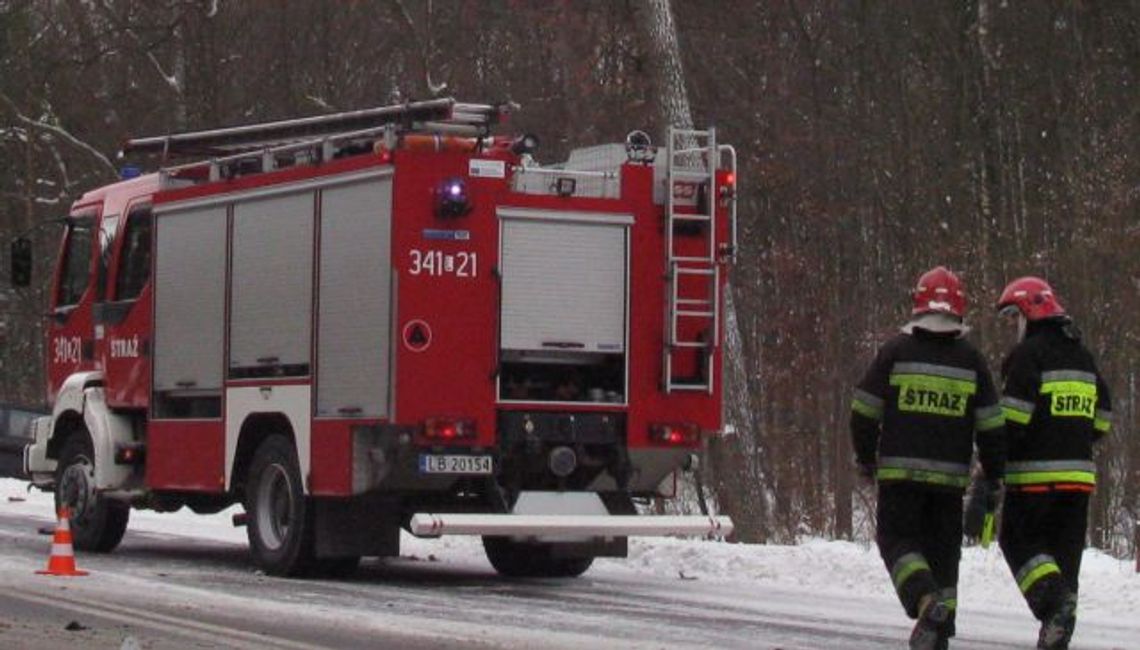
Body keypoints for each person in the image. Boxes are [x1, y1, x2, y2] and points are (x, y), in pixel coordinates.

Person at [850, 266, 1006, 650]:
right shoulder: (971, 360)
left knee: (896, 540)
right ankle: (940, 631)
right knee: (943, 556)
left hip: (901, 477)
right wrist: (994, 474)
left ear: (918, 306)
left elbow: (863, 410)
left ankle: (925, 600)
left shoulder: (895, 351)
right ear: (959, 310)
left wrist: (866, 459)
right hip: (950, 483)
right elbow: (991, 424)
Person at [995, 277, 1112, 650]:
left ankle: (1055, 605)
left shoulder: (1028, 356)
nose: (1014, 326)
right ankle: (1057, 630)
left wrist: (991, 469)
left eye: (1015, 317)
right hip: (1078, 481)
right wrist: (1073, 438)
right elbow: (1103, 418)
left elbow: (1012, 420)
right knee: (1063, 560)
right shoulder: (1083, 356)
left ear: (1028, 314)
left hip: (1032, 480)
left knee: (1018, 541)